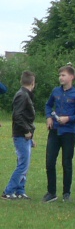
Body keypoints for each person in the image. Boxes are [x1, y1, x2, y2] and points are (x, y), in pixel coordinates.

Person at [42, 65, 75, 203]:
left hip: (69, 132)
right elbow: (48, 105)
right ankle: (51, 192)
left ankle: (66, 193)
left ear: (71, 77)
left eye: (63, 75)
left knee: (66, 162)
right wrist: (49, 117)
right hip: (55, 130)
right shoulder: (55, 91)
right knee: (50, 161)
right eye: (60, 75)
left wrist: (68, 118)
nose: (61, 77)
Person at [3, 71, 36, 200]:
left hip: (26, 135)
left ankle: (20, 190)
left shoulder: (25, 94)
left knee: (25, 164)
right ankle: (8, 191)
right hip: (21, 134)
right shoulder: (22, 95)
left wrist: (31, 137)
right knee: (23, 164)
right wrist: (27, 131)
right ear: (32, 83)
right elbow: (17, 115)